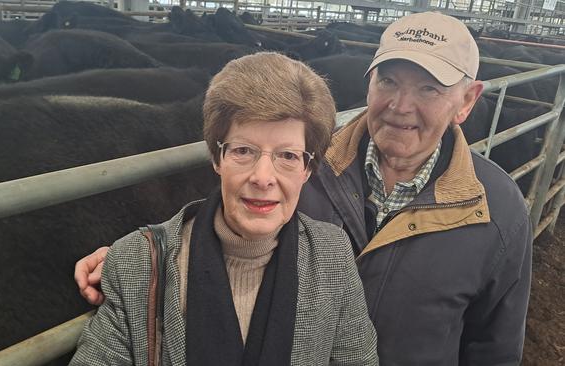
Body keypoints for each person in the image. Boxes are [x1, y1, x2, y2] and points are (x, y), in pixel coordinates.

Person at [76, 12, 532, 365]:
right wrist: (137, 253)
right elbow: (208, 220)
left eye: (429, 89)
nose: (399, 106)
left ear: (467, 101)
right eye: (388, 80)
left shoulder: (498, 210)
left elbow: (493, 348)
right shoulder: (308, 154)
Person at [71, 52, 379, 365]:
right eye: (243, 150)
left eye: (287, 156)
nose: (262, 178)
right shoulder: (137, 264)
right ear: (217, 159)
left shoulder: (333, 255)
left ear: (308, 169)